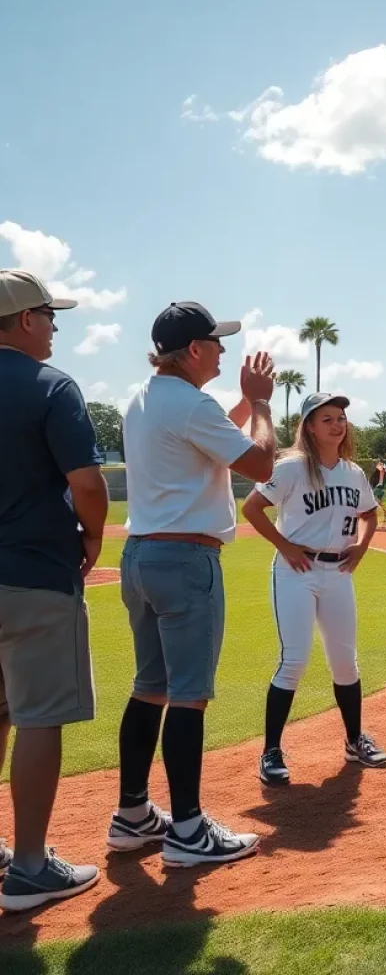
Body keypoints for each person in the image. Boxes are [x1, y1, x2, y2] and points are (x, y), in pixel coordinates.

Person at [107, 302, 277, 867]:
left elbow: (213, 431)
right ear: (195, 351)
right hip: (185, 559)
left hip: (141, 555)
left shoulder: (146, 398)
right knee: (188, 695)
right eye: (217, 343)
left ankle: (133, 814)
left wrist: (244, 405)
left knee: (149, 686)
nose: (225, 352)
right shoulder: (192, 402)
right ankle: (187, 831)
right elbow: (260, 464)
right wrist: (260, 404)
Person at [0, 270, 108, 912]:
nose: (54, 325)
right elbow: (88, 484)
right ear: (21, 320)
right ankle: (32, 866)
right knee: (38, 716)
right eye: (48, 313)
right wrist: (92, 537)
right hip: (35, 571)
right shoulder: (49, 385)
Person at [243, 392, 386, 785]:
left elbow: (370, 515)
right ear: (308, 426)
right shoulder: (291, 468)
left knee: (345, 662)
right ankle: (271, 751)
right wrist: (284, 545)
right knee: (295, 661)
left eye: (340, 418)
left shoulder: (354, 473)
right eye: (327, 419)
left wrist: (361, 546)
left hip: (337, 571)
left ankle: (355, 740)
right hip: (297, 570)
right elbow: (252, 508)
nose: (337, 424)